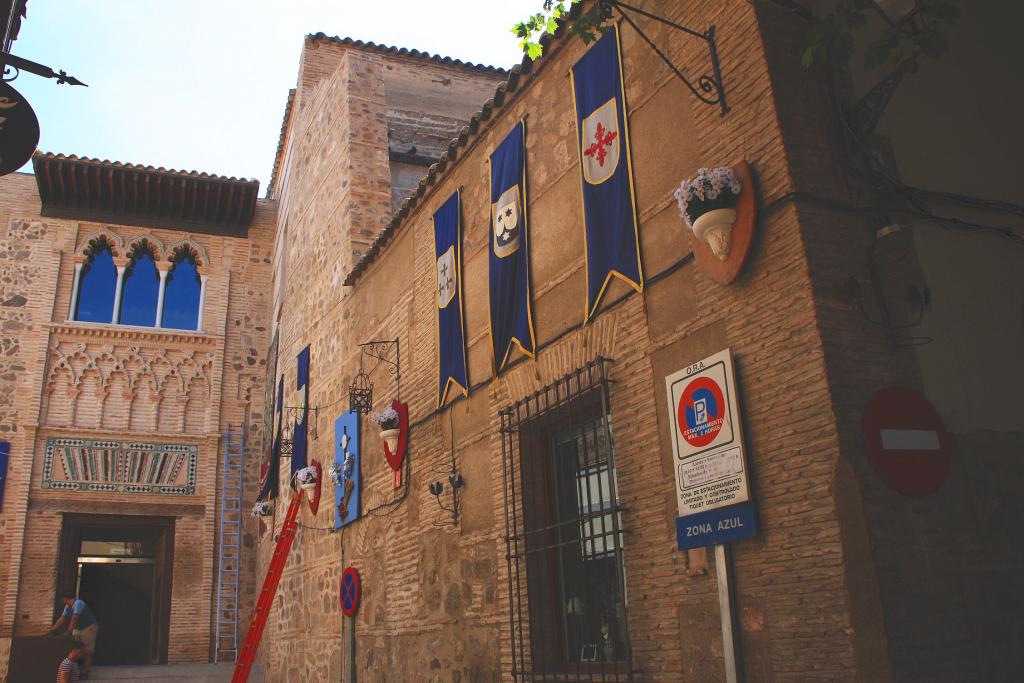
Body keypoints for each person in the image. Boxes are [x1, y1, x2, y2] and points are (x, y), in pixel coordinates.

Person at [48, 593, 98, 678]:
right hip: (78, 629)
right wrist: (52, 630)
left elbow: (75, 617)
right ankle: (75, 670)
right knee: (76, 648)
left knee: (88, 650)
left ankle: (85, 672)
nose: (63, 601)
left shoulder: (78, 603)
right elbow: (62, 618)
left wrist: (69, 631)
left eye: (63, 599)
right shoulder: (68, 607)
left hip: (88, 628)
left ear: (65, 598)